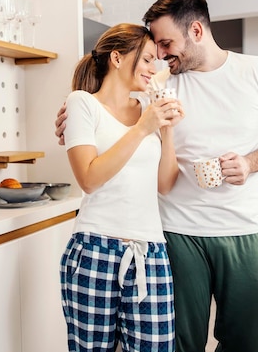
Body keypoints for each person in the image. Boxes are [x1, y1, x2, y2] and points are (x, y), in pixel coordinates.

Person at [56, 0, 258, 352]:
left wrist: (250, 163)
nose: (160, 55)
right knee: (180, 343)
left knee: (246, 338)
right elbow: (107, 106)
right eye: (155, 48)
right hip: (176, 232)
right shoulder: (159, 85)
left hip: (241, 228)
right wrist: (69, 115)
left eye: (165, 43)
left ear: (196, 30)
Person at [60, 23, 184, 352]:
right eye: (145, 59)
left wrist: (167, 130)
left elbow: (165, 185)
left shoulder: (149, 111)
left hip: (150, 252)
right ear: (117, 58)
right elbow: (89, 177)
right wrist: (143, 129)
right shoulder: (82, 104)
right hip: (94, 249)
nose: (152, 68)